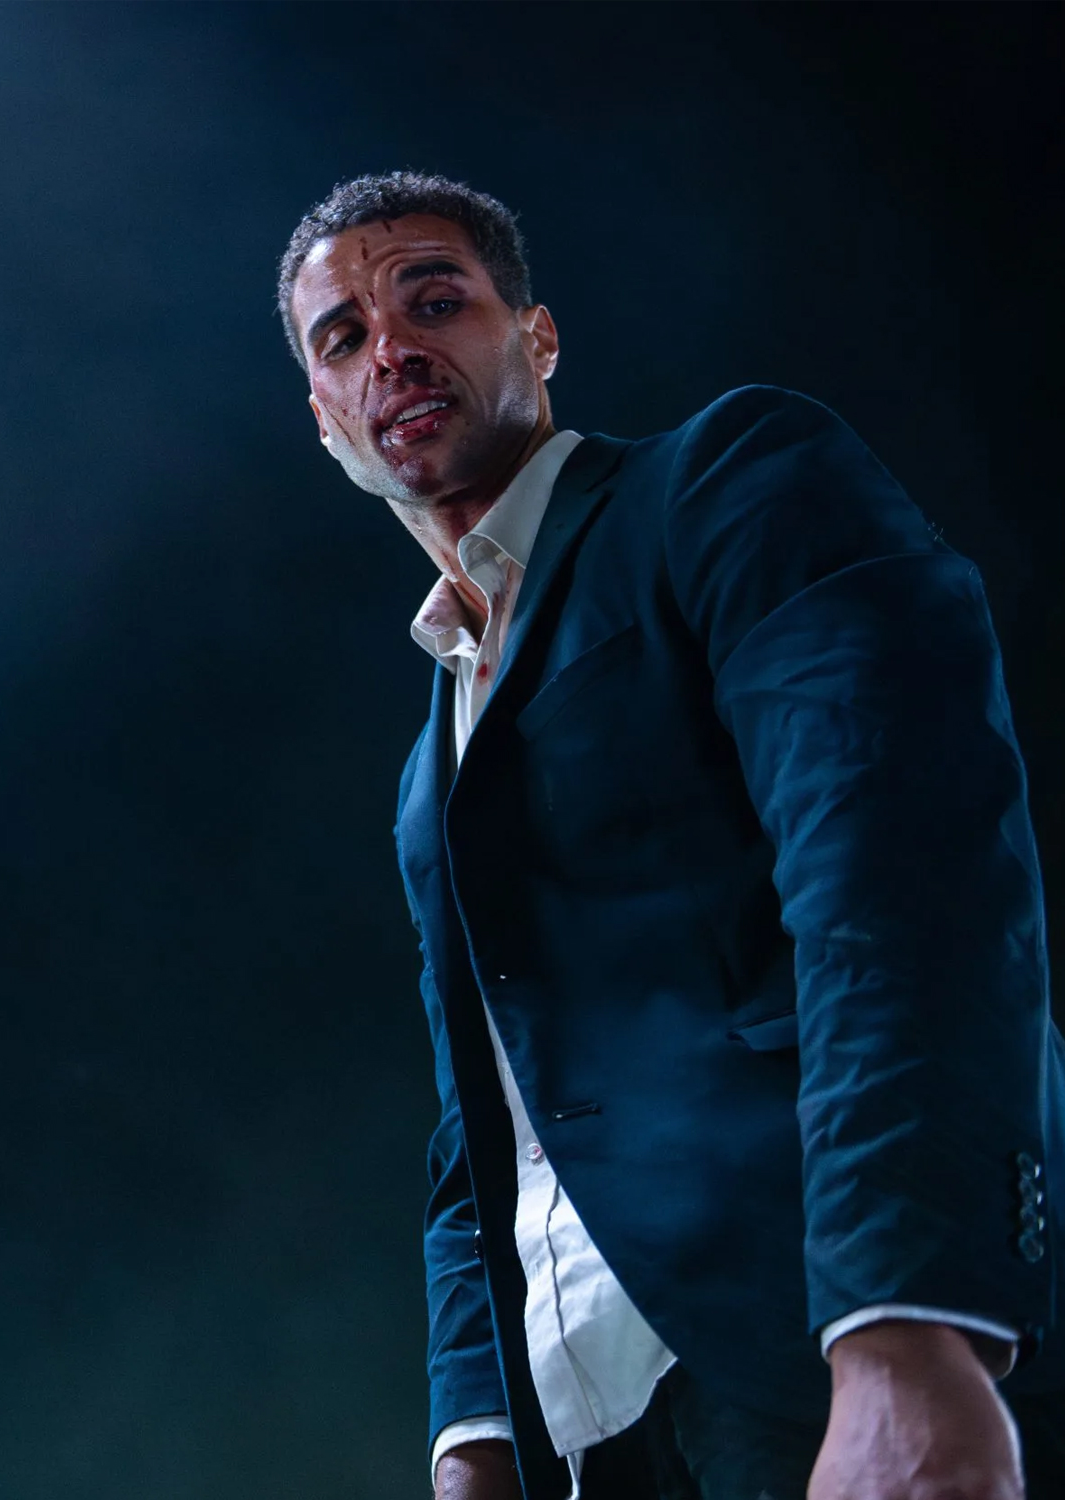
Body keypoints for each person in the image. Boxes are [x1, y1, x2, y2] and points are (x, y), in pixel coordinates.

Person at [276, 172, 1065, 1500]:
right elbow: (483, 1115)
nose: (391, 350)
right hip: (593, 1427)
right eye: (343, 338)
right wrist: (475, 1432)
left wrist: (904, 1321)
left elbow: (900, 885)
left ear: (537, 338)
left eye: (435, 300)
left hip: (814, 1338)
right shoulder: (430, 762)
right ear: (324, 421)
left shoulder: (726, 482)